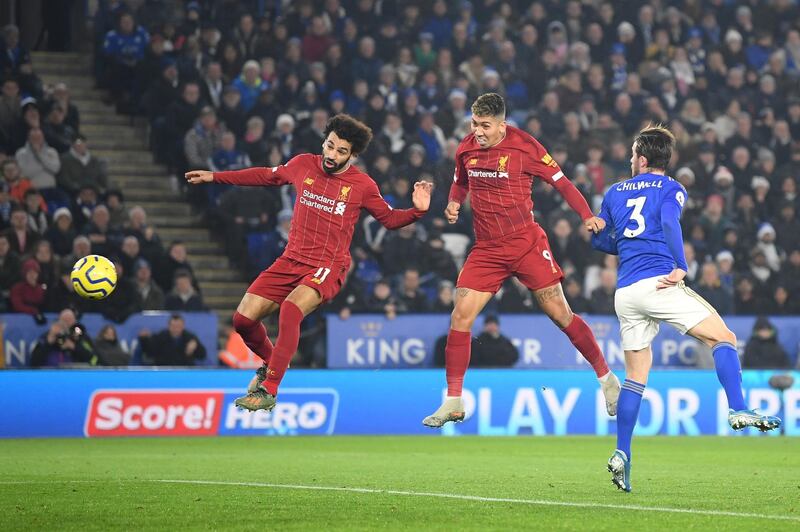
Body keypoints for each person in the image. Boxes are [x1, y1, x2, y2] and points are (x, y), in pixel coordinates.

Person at [185, 113, 431, 411]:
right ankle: (269, 362)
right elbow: (266, 175)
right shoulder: (303, 164)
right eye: (330, 145)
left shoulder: (362, 185)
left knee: (290, 309)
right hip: (290, 259)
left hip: (328, 265)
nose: (332, 154)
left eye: (341, 151)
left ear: (352, 156)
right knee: (243, 321)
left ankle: (269, 389)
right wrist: (215, 177)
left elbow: (390, 219)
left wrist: (416, 211)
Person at [591, 124, 781, 493]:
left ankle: (622, 452)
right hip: (660, 284)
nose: (630, 160)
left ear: (642, 158)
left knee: (636, 374)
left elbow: (606, 243)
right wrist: (681, 264)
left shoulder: (614, 192)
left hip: (626, 292)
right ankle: (739, 407)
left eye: (633, 155)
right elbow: (665, 221)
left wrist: (595, 226)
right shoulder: (671, 187)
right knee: (723, 337)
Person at [423, 93, 618, 428]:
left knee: (560, 313)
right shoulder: (466, 147)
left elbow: (562, 183)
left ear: (502, 124)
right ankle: (453, 400)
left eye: (485, 125)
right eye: (474, 124)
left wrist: (587, 215)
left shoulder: (525, 147)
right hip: (487, 249)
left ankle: (607, 379)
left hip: (526, 243)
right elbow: (459, 183)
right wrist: (455, 202)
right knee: (460, 315)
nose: (478, 131)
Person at [138, 314, 207, 366]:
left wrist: (196, 347)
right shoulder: (161, 336)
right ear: (168, 326)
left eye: (179, 326)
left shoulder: (190, 338)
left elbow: (202, 355)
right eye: (173, 326)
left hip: (184, 371)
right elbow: (149, 353)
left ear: (183, 326)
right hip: (164, 371)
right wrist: (144, 339)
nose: (176, 329)